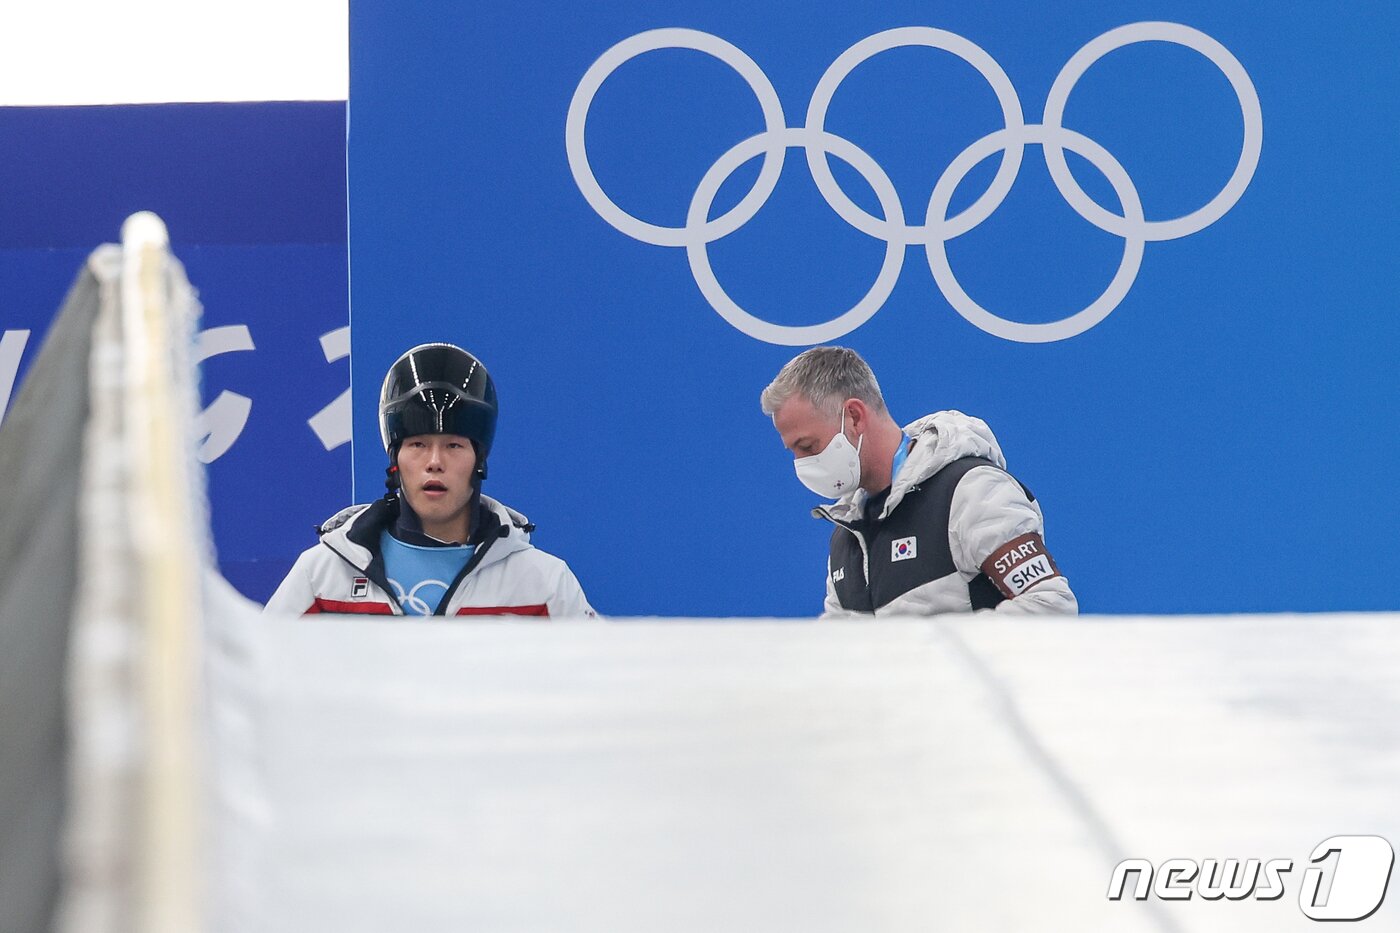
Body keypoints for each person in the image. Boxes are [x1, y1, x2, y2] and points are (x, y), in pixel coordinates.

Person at [265, 342, 595, 618]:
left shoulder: (542, 583)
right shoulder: (323, 575)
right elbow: (258, 681)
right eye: (418, 445)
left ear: (479, 459)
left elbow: (595, 688)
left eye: (453, 445)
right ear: (394, 459)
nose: (434, 462)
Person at [760, 346, 1076, 616]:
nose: (803, 464)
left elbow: (1050, 605)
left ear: (855, 417)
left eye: (808, 447)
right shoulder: (847, 534)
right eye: (795, 453)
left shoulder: (969, 491)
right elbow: (839, 659)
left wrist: (936, 660)